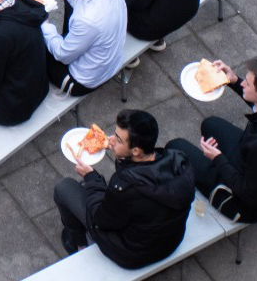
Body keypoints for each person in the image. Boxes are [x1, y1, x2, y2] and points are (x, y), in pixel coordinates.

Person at [53, 109, 195, 266]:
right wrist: (121, 153)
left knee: (63, 188)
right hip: (170, 242)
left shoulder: (124, 188)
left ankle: (80, 243)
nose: (111, 140)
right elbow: (136, 175)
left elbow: (99, 220)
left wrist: (91, 178)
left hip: (132, 254)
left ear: (135, 151)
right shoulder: (178, 162)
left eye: (118, 140)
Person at [166, 58, 257, 221]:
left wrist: (217, 158)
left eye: (247, 83)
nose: (243, 84)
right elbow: (256, 104)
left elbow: (251, 195)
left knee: (175, 147)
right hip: (251, 163)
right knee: (211, 124)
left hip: (247, 204)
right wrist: (233, 80)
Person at [41, 0, 128, 97]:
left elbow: (62, 55)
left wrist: (44, 24)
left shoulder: (87, 21)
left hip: (80, 81)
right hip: (112, 62)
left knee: (32, 40)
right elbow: (85, 2)